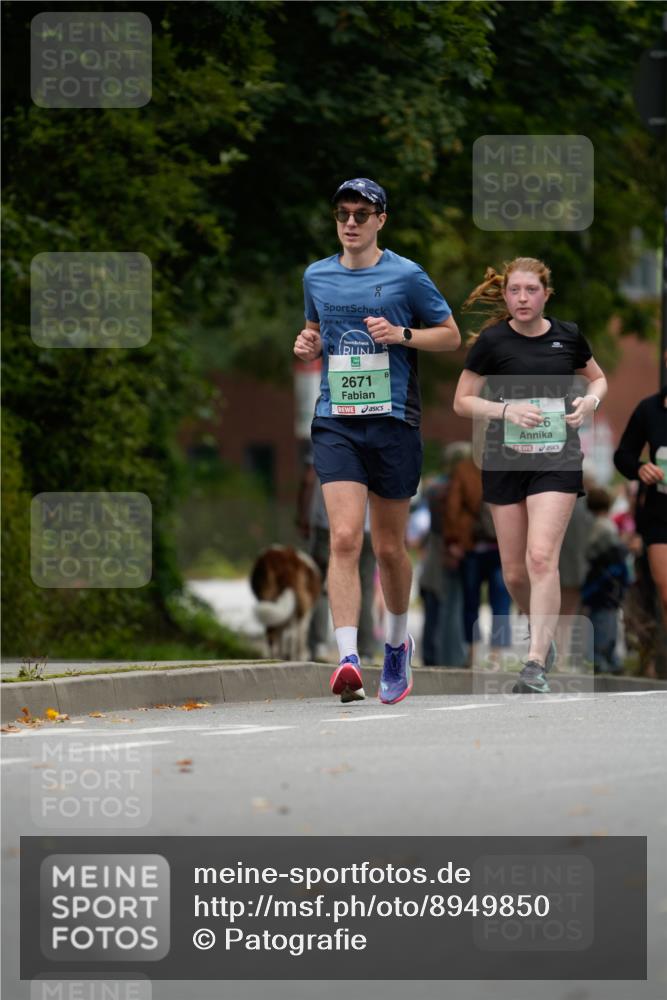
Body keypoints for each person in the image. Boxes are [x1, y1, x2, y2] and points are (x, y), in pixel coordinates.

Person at [293, 177, 460, 703]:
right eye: (342, 214)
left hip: (393, 422)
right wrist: (307, 344)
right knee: (344, 538)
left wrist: (401, 335)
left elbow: (451, 335)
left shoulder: (407, 276)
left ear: (380, 220)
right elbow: (314, 331)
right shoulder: (317, 275)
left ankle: (396, 645)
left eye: (361, 214)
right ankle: (347, 658)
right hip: (336, 421)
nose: (350, 223)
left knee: (388, 547)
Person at [453, 258, 607, 693]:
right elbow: (461, 401)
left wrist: (590, 402)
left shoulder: (567, 336)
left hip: (556, 458)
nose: (523, 298)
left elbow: (598, 380)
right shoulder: (491, 341)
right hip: (504, 460)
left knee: (540, 558)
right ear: (505, 295)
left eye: (531, 290)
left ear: (546, 294)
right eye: (515, 291)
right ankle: (541, 628)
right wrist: (505, 410)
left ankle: (535, 660)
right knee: (515, 574)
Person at [295, 448, 377, 661]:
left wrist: (303, 516)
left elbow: (308, 479)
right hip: (368, 526)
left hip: (329, 526)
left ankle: (319, 643)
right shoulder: (378, 433)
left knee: (320, 584)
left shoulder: (327, 434)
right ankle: (365, 649)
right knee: (365, 588)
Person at [614, 386, 667, 677]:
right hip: (661, 516)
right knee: (666, 592)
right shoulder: (650, 409)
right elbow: (623, 455)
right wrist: (640, 469)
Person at [443, 452, 512, 668]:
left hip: (471, 546)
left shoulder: (464, 469)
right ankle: (496, 656)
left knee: (470, 603)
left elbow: (452, 506)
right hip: (502, 545)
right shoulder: (509, 465)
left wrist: (453, 539)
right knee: (501, 603)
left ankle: (472, 654)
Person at [581, 487, 630, 674]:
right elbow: (614, 553)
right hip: (607, 580)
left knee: (601, 617)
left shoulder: (592, 524)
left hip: (597, 579)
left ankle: (602, 656)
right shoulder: (606, 526)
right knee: (606, 619)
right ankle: (603, 656)